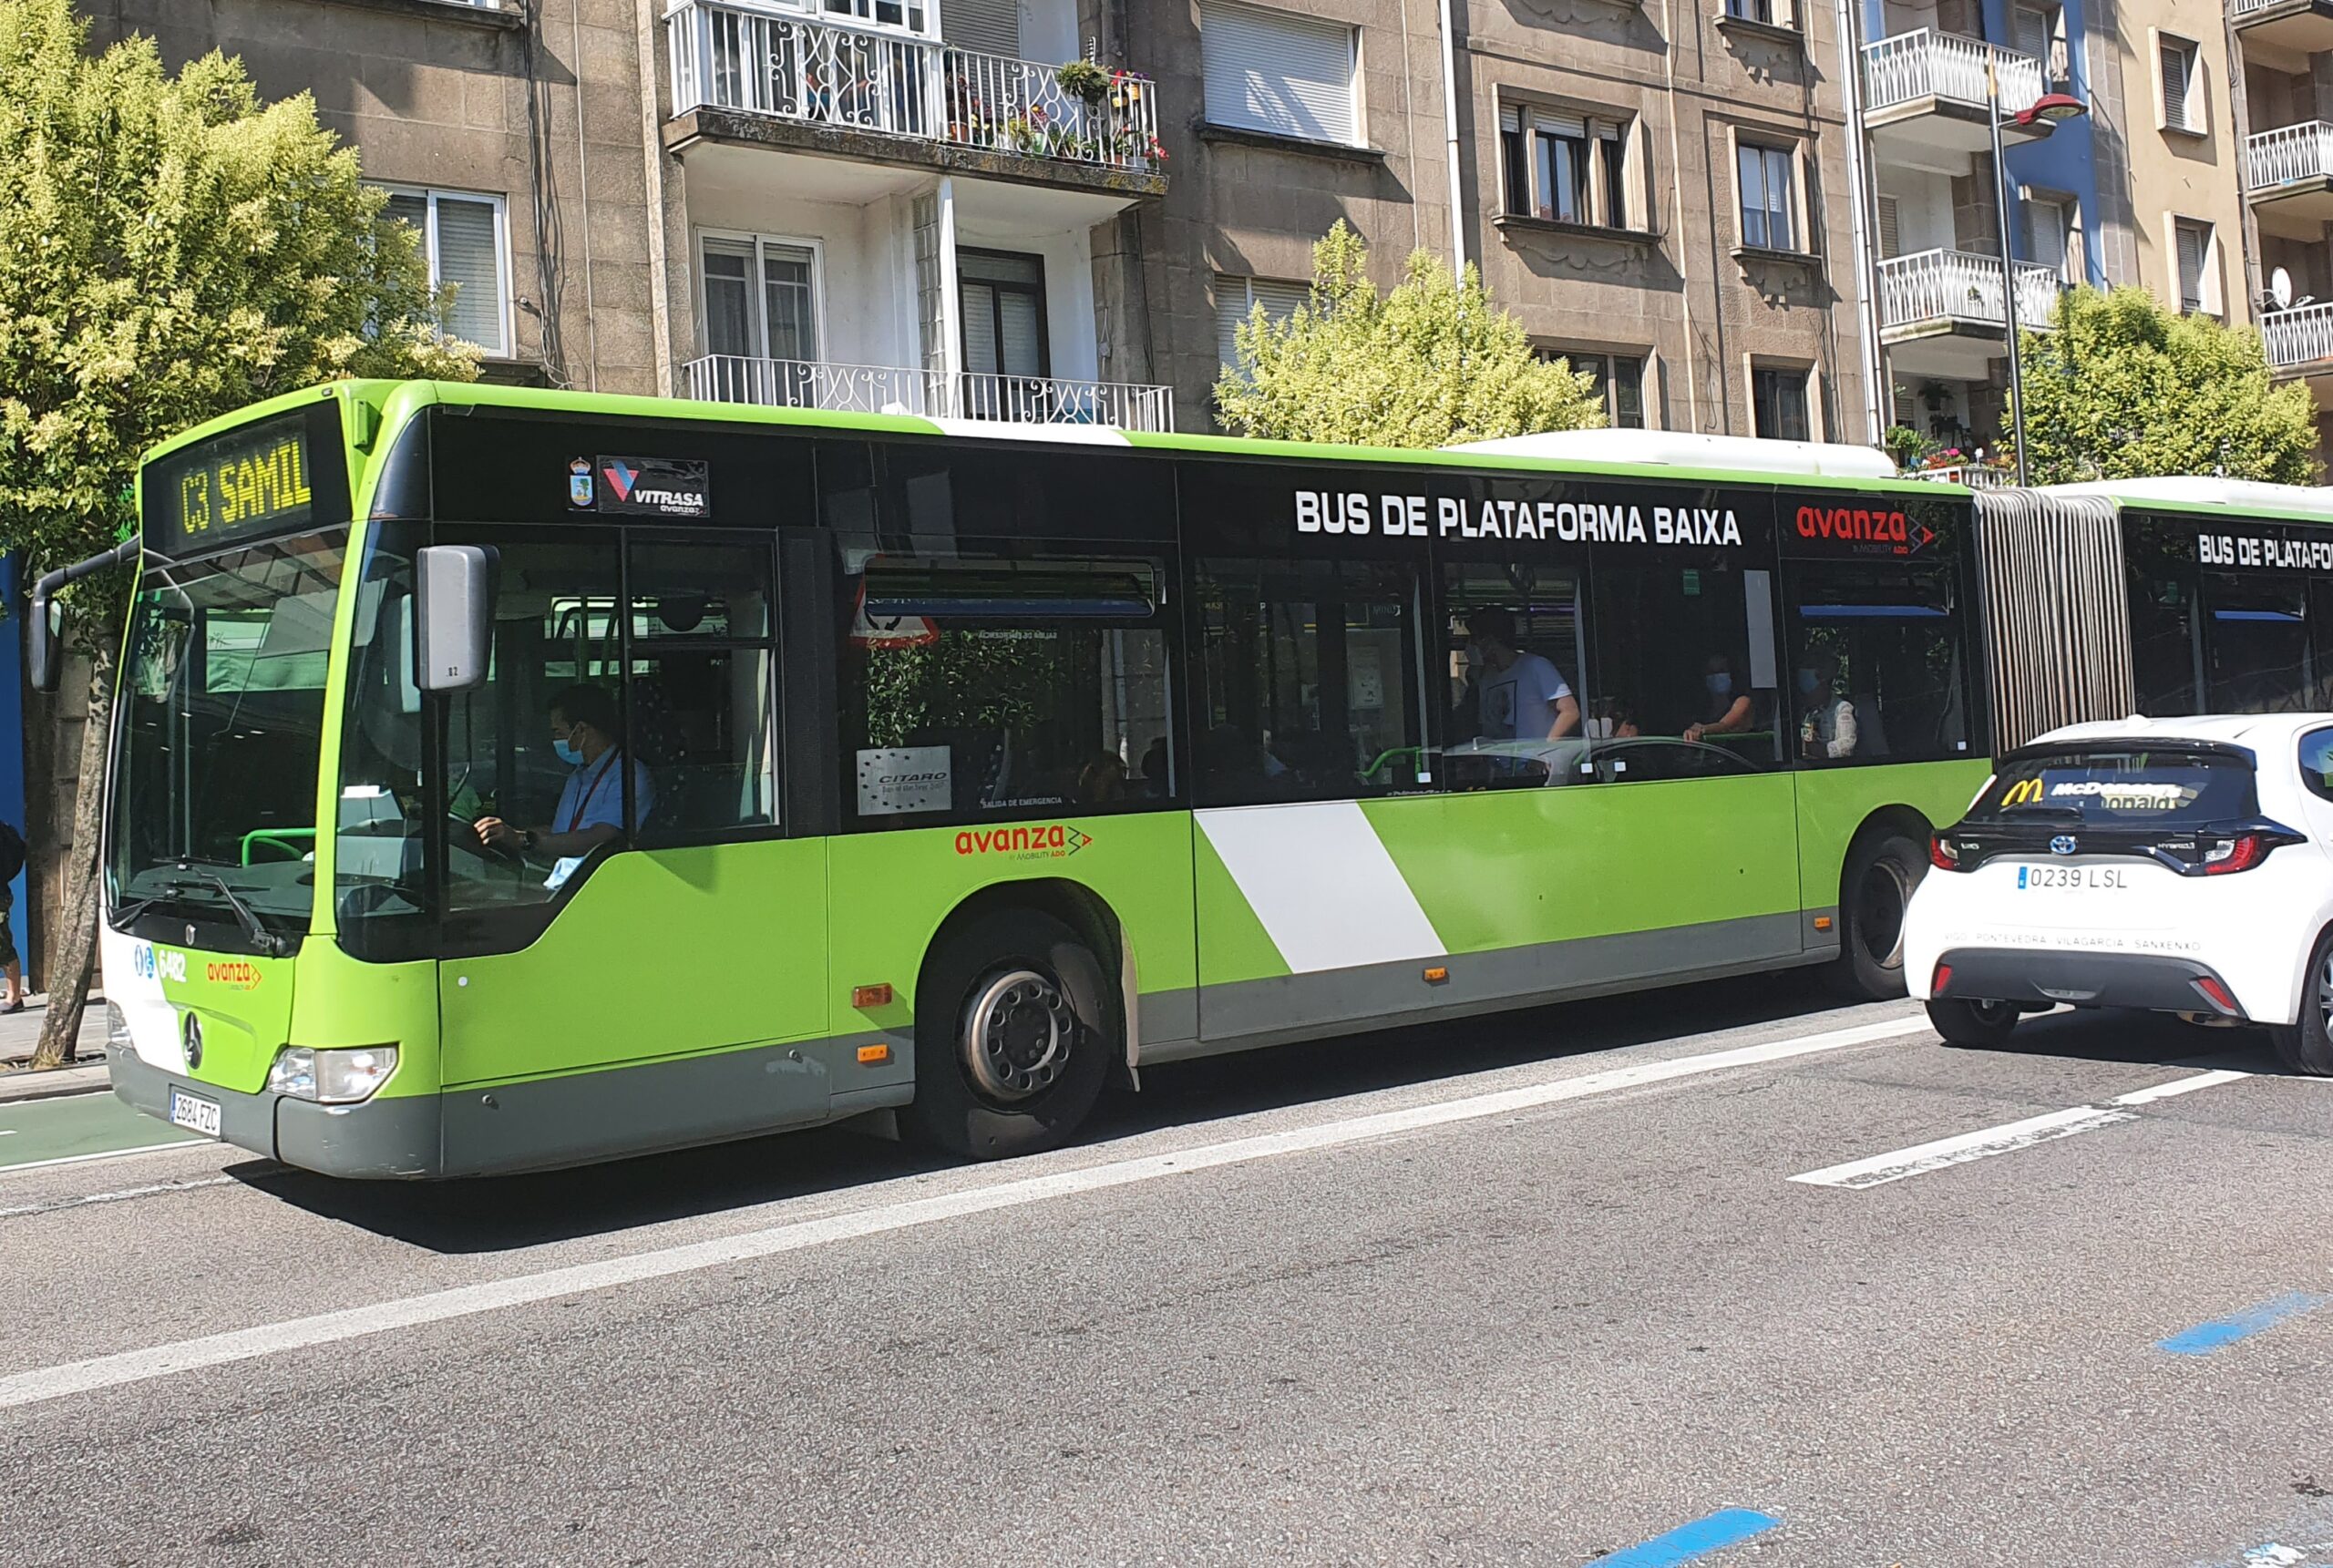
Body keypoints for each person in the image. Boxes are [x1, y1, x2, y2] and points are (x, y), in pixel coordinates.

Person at [475, 683, 654, 891]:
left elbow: (599, 840)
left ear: (581, 730)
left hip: (593, 888)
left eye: (558, 732)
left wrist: (523, 840)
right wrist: (505, 834)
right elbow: (564, 833)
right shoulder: (578, 776)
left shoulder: (628, 776)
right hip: (563, 883)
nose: (555, 740)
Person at [1465, 607, 1580, 742]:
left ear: (1490, 641)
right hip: (1498, 760)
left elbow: (1570, 711)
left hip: (1535, 759)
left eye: (1474, 638)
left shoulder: (1536, 666)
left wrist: (1545, 752)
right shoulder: (1486, 678)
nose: (1470, 645)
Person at [1796, 654, 1859, 761]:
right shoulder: (1810, 712)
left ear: (1824, 684)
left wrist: (1810, 748)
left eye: (1811, 690)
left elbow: (1846, 748)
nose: (1807, 695)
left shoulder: (1843, 709)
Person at [1685, 654, 1756, 743]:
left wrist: (1702, 729)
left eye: (1721, 671)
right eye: (1711, 672)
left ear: (1732, 674)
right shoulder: (1703, 708)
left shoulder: (1743, 702)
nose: (1716, 676)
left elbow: (1725, 726)